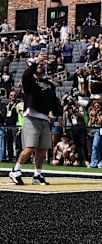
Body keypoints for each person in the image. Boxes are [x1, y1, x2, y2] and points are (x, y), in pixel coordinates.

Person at [9, 53, 62, 185]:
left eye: (41, 65)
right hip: (31, 117)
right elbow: (26, 76)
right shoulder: (30, 82)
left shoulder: (49, 84)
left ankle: (37, 175)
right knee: (30, 147)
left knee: (42, 149)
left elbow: (54, 101)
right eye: (38, 65)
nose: (40, 66)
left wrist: (57, 113)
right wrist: (35, 62)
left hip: (44, 118)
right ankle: (15, 170)